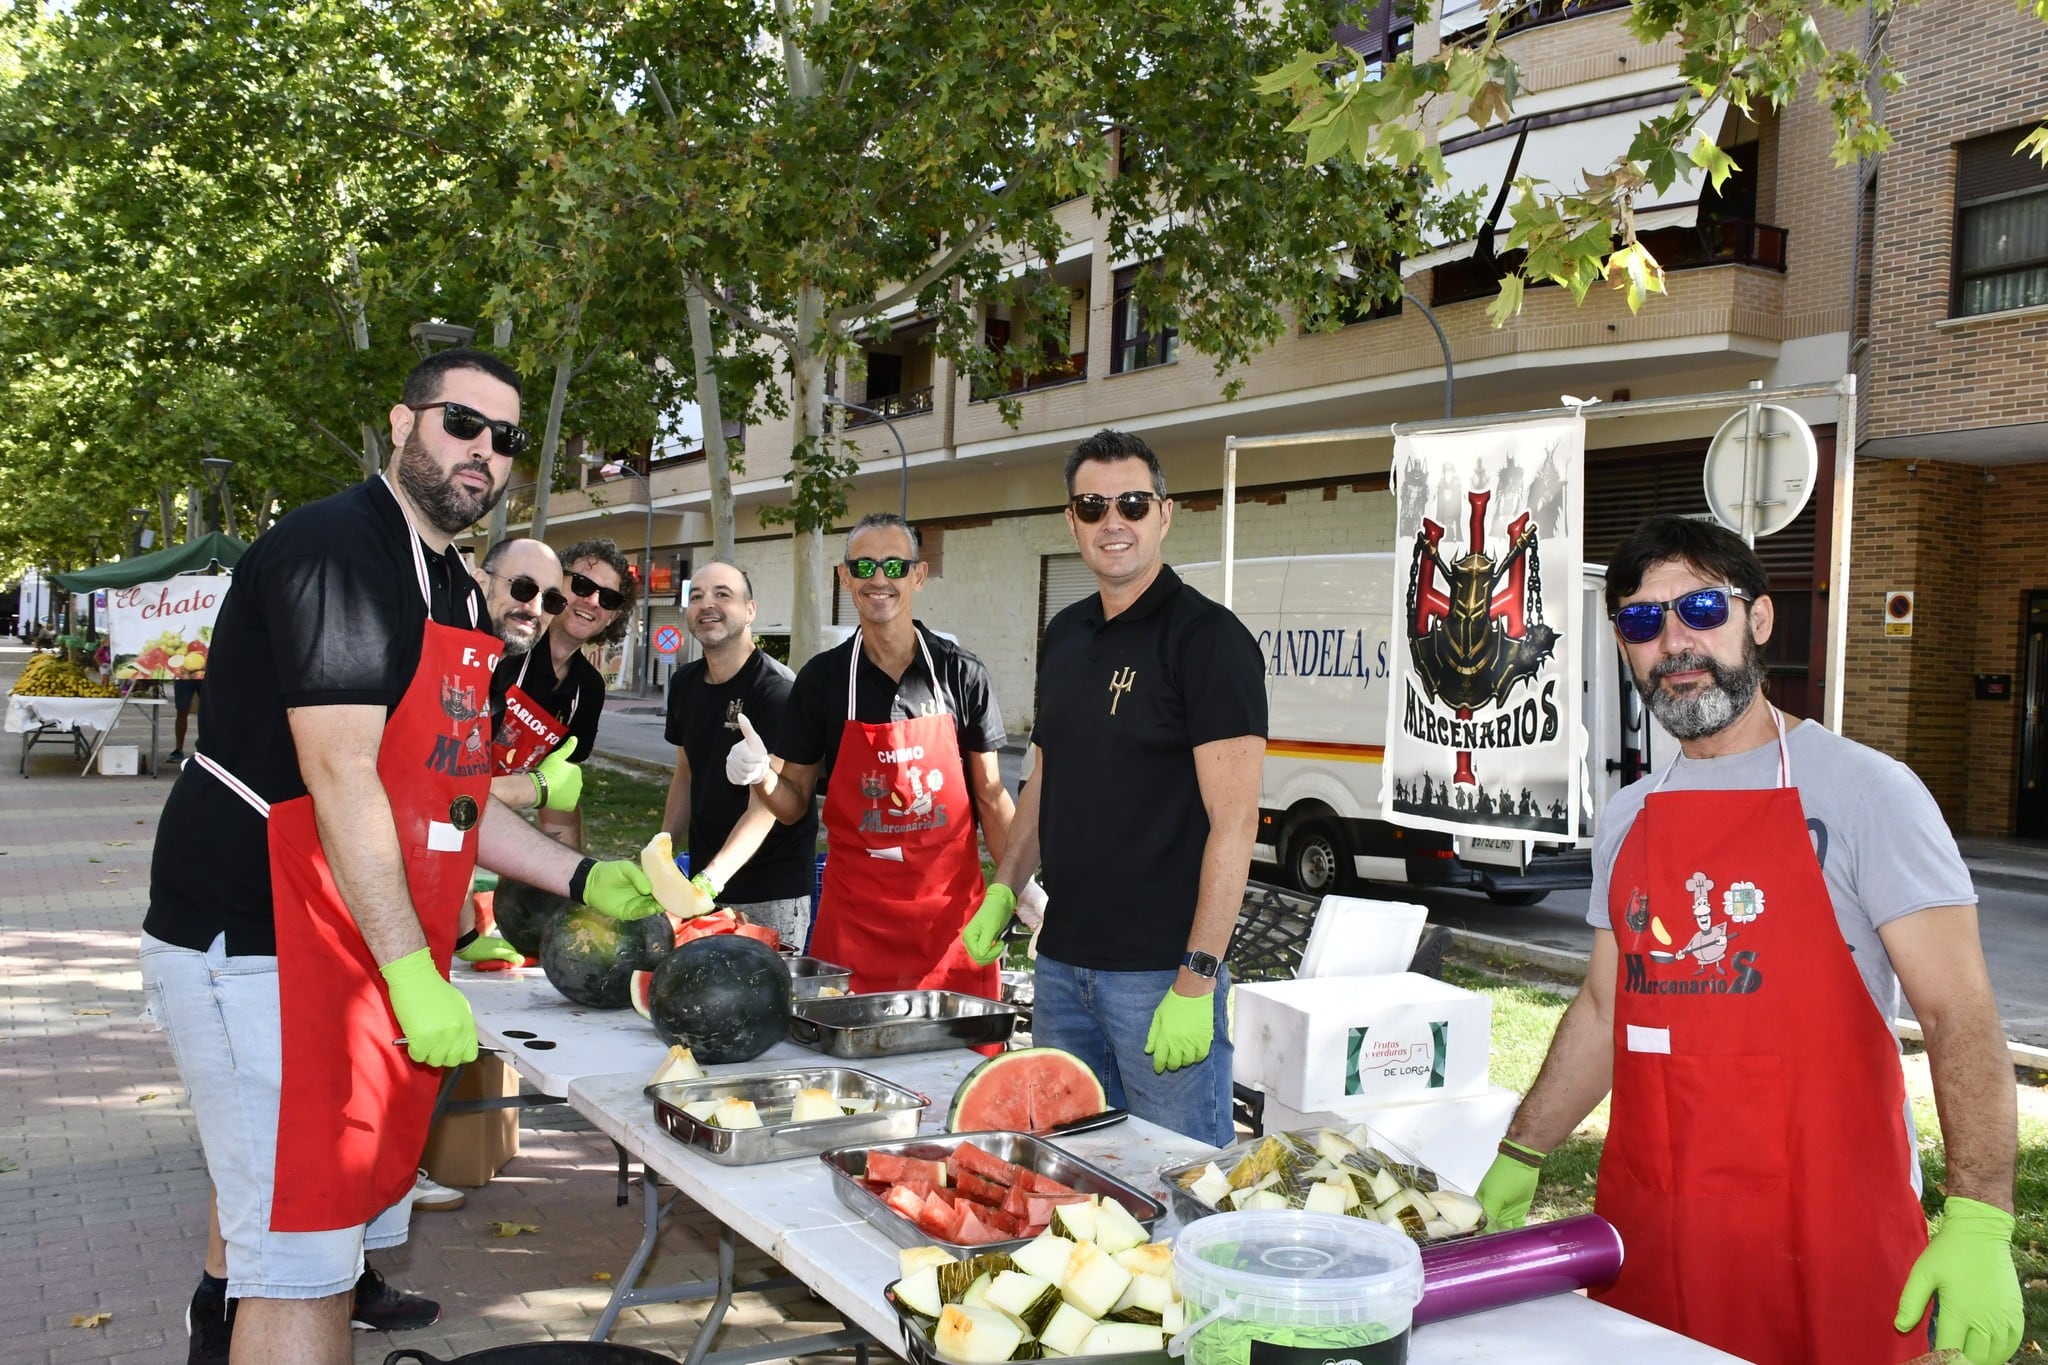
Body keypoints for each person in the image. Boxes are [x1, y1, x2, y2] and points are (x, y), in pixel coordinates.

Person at [141, 348, 668, 1365]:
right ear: (401, 423)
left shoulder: (460, 593)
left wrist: (573, 875)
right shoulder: (340, 549)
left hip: (352, 955)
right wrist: (409, 971)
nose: (482, 453)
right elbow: (340, 775)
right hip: (261, 944)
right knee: (300, 1263)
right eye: (459, 425)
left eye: (503, 440)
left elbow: (444, 795)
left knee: (319, 1242)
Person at [1470, 514, 2021, 1365]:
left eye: (1699, 607)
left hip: (1828, 1233)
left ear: (1758, 621)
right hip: (1657, 1231)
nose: (1675, 642)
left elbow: (1961, 1016)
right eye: (1643, 622)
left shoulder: (1870, 791)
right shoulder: (1629, 816)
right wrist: (1524, 1144)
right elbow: (1603, 1005)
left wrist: (1981, 1213)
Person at [967, 430, 1265, 1146]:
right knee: (1070, 1182)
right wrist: (1006, 884)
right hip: (1063, 966)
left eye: (1132, 502)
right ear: (1071, 521)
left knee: (1177, 1188)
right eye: (1093, 506)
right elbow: (1046, 777)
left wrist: (1197, 975)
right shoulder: (1064, 634)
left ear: (1164, 513)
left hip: (1160, 975)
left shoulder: (1210, 640)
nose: (1114, 522)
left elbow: (1237, 823)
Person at [718, 512, 1014, 993]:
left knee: (958, 1068)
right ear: (845, 576)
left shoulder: (962, 673)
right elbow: (793, 803)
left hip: (951, 927)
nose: (879, 579)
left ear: (918, 574)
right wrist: (761, 776)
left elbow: (992, 796)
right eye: (865, 566)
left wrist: (1020, 887)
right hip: (855, 925)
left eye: (895, 567)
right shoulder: (822, 680)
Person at [659, 560, 821, 948]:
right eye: (696, 596)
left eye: (722, 594)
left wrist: (711, 879)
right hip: (704, 887)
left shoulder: (777, 691)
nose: (706, 604)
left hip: (770, 891)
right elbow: (686, 773)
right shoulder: (683, 683)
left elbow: (765, 807)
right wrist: (662, 847)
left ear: (750, 611)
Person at [495, 537, 632, 849]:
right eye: (582, 585)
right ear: (555, 586)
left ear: (612, 616)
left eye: (609, 598)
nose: (593, 601)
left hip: (489, 820)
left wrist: (571, 877)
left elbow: (558, 794)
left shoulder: (588, 690)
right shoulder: (506, 648)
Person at [477, 536, 586, 831]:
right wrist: (533, 789)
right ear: (480, 583)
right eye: (523, 588)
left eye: (551, 600)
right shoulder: (434, 658)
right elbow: (425, 793)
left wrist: (579, 875)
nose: (536, 609)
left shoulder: (495, 678)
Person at [169, 677, 202, 764]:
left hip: (207, 672)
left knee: (207, 712)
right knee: (182, 710)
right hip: (184, 675)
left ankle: (206, 749)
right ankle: (178, 749)